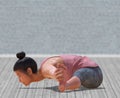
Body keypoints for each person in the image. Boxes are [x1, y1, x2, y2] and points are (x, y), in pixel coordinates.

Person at [13, 51, 103, 92]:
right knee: (80, 74)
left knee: (81, 73)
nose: (19, 80)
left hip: (94, 72)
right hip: (88, 81)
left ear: (29, 71)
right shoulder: (44, 70)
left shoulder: (45, 68)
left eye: (19, 75)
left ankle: (67, 85)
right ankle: (67, 84)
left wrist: (56, 74)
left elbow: (51, 70)